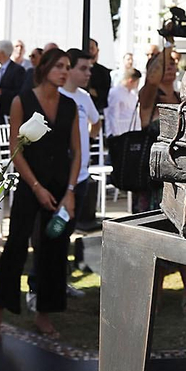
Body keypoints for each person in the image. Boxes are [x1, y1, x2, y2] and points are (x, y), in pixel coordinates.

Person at [0, 47, 78, 343]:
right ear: (45, 68)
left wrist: (71, 192)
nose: (65, 71)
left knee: (55, 247)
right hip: (29, 187)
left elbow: (76, 152)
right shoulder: (21, 101)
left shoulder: (70, 105)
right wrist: (36, 187)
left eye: (67, 66)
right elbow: (16, 149)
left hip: (61, 190)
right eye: (60, 66)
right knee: (15, 248)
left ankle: (44, 314)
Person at [137, 46, 186, 312]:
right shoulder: (149, 95)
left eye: (173, 65)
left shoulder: (183, 96)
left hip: (181, 173)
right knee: (156, 236)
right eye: (164, 66)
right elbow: (150, 84)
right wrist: (165, 49)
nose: (170, 68)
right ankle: (155, 295)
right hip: (155, 181)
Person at [62, 48, 103, 250]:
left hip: (81, 175)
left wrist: (88, 139)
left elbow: (96, 122)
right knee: (56, 229)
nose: (88, 73)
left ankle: (60, 272)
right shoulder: (57, 94)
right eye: (83, 68)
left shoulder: (84, 97)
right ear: (69, 69)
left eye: (90, 68)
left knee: (68, 228)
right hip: (61, 175)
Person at [0, 39, 26, 120]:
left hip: (8, 114)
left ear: (2, 53)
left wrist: (1, 92)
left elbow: (20, 93)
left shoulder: (17, 70)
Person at [106, 67, 141, 138]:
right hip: (119, 133)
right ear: (131, 81)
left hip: (132, 131)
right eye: (137, 82)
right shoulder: (115, 93)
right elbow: (113, 115)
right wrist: (116, 135)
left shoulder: (132, 94)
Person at [86, 38, 113, 114]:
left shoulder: (104, 72)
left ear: (97, 50)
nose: (89, 51)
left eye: (92, 48)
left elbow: (104, 94)